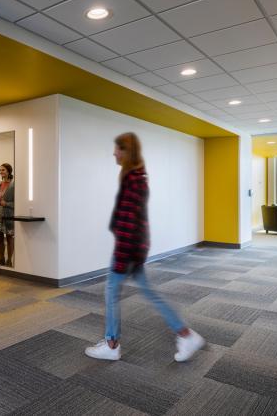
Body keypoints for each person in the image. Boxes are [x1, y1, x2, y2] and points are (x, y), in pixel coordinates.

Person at [85, 132, 205, 362]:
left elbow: (129, 223)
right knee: (148, 292)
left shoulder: (133, 180)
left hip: (128, 249)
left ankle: (111, 344)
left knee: (111, 291)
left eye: (116, 149)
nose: (113, 153)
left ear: (125, 151)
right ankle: (185, 334)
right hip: (135, 248)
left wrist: (122, 258)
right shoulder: (136, 177)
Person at [0, 163, 15, 267]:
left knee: (9, 237)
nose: (1, 172)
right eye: (0, 170)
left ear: (9, 171)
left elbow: (18, 202)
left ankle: (9, 260)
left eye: (3, 170)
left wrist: (7, 204)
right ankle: (1, 258)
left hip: (8, 214)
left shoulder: (14, 184)